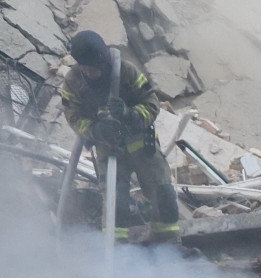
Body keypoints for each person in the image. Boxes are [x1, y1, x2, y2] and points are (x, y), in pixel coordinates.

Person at [60, 30, 182, 243]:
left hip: (142, 146)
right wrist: (95, 130)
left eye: (94, 69)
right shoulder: (73, 82)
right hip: (109, 149)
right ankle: (120, 256)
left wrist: (129, 113)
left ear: (104, 60)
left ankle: (169, 247)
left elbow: (151, 103)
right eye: (85, 69)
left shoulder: (125, 71)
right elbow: (73, 116)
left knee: (163, 195)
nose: (90, 73)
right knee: (115, 205)